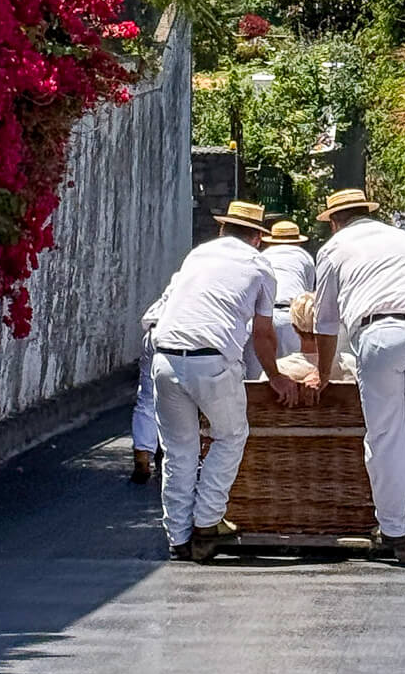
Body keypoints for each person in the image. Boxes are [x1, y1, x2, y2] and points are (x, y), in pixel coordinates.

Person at [151, 199, 290, 563]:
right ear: (258, 238)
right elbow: (262, 334)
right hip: (211, 360)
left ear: (224, 229)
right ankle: (207, 522)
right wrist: (275, 376)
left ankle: (178, 537)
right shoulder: (260, 266)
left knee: (179, 450)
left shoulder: (198, 256)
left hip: (164, 355)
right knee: (230, 436)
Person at [313, 187, 405, 567]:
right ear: (366, 212)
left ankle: (393, 532)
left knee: (386, 437)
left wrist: (323, 374)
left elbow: (325, 323)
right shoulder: (400, 238)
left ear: (335, 221)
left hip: (379, 334)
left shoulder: (334, 249)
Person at [260, 219, 316, 359]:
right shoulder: (305, 257)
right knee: (294, 368)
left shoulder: (263, 256)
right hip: (291, 317)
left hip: (264, 316)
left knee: (262, 372)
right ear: (298, 241)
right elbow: (306, 298)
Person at [130, 288, 169, 483]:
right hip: (182, 338)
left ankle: (142, 456)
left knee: (147, 398)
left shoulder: (184, 277)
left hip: (154, 331)